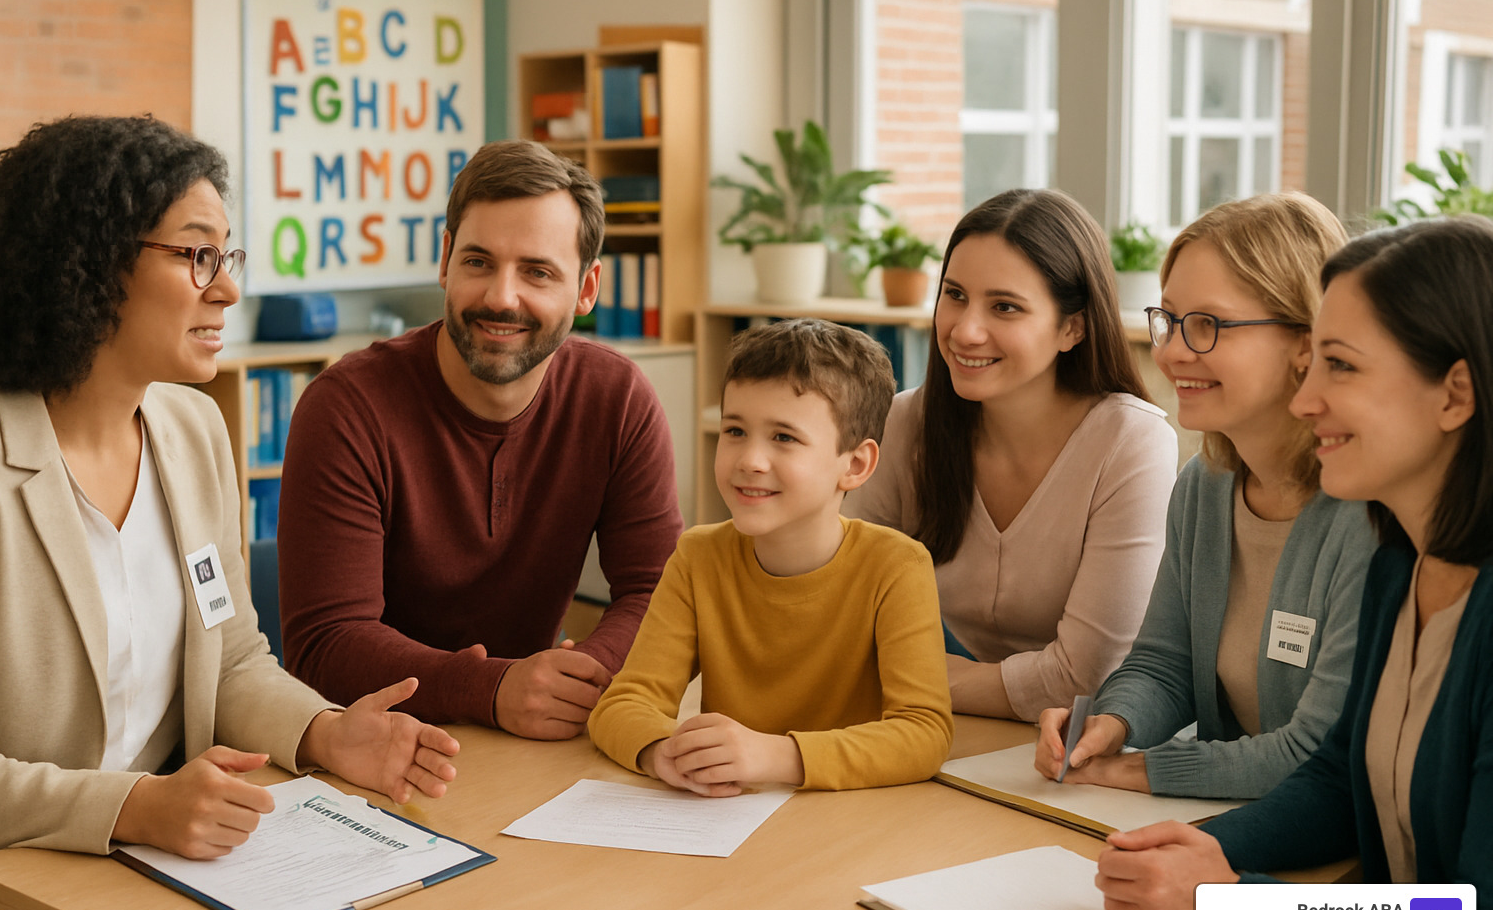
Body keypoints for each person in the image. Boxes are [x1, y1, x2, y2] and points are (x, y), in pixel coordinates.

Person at [0, 115, 459, 910]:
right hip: (13, 907)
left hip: (169, 875)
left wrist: (327, 732)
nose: (226, 291)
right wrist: (141, 807)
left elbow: (229, 660)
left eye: (229, 257)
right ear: (88, 262)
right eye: (198, 256)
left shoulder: (192, 431)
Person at [1094, 216, 1493, 910]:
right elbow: (1341, 783)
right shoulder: (1400, 569)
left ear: (1456, 394)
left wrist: (1233, 909)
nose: (1305, 401)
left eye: (1338, 367)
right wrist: (1204, 850)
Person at [278, 140, 684, 738]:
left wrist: (581, 677)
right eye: (478, 262)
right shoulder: (345, 407)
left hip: (530, 743)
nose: (501, 297)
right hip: (370, 745)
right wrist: (493, 689)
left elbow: (659, 591)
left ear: (587, 289)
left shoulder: (617, 398)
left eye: (538, 272)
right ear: (445, 260)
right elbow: (325, 644)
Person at [1034, 193, 1374, 799]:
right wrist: (1109, 725)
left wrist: (1141, 771)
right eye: (1169, 320)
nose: (1169, 352)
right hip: (1224, 822)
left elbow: (1318, 751)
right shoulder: (1204, 485)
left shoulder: (1368, 513)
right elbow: (1164, 663)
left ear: (1307, 339)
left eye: (1208, 325)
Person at [845, 188, 1178, 722]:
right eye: (954, 295)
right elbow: (847, 620)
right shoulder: (905, 422)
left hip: (1077, 749)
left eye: (1004, 307)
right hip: (947, 734)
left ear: (1073, 327)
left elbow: (1083, 678)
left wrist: (904, 677)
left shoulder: (1130, 441)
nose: (965, 329)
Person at [587, 319, 953, 794]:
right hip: (732, 819)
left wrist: (778, 756)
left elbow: (924, 733)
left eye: (783, 437)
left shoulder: (898, 567)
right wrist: (663, 753)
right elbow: (623, 704)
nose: (749, 460)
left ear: (855, 465)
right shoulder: (698, 557)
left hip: (852, 821)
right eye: (735, 430)